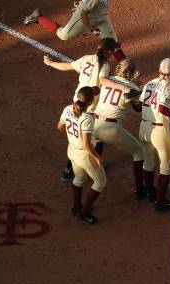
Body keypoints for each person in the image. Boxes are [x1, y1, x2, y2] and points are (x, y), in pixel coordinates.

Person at [43, 37, 118, 181]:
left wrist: (50, 63)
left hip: (77, 101)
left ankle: (68, 171)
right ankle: (97, 164)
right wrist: (119, 86)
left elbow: (67, 66)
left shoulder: (86, 59)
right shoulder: (105, 65)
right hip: (90, 106)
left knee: (76, 138)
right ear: (109, 52)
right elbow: (102, 81)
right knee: (97, 138)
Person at [24, 0, 126, 62]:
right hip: (84, 18)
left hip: (102, 18)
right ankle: (38, 18)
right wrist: (89, 29)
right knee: (63, 35)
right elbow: (83, 14)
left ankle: (128, 69)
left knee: (113, 43)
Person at [93, 59, 146, 199]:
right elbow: (138, 108)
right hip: (111, 129)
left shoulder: (107, 79)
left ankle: (97, 169)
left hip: (94, 124)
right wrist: (139, 89)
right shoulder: (132, 89)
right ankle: (140, 190)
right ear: (132, 73)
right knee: (139, 152)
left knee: (98, 141)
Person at [56, 86, 105, 224]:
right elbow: (86, 145)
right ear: (90, 102)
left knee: (79, 178)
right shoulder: (87, 118)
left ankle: (77, 207)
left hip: (71, 150)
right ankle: (84, 213)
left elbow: (59, 127)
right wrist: (97, 157)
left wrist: (73, 134)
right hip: (84, 155)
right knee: (100, 182)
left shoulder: (67, 109)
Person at [139, 58, 170, 211]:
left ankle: (151, 193)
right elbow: (162, 109)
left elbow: (139, 105)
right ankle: (161, 202)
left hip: (143, 128)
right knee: (165, 166)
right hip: (158, 130)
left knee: (148, 162)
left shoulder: (150, 83)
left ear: (158, 69)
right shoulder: (169, 86)